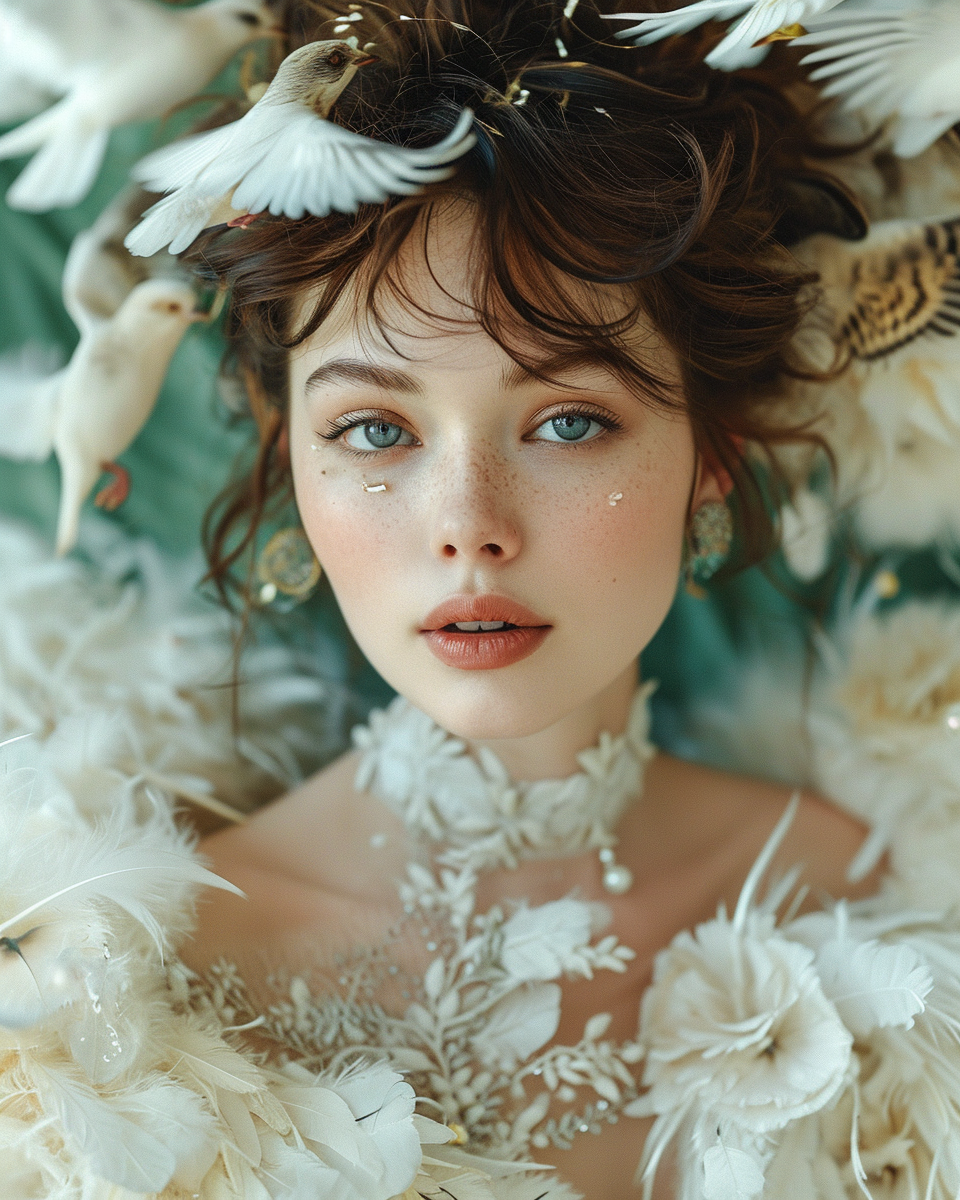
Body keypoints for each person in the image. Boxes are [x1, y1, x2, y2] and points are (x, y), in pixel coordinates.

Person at [3, 3, 960, 1199]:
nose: (469, 524)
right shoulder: (102, 999)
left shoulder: (905, 909)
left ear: (712, 450)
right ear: (289, 456)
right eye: (374, 429)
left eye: (568, 420)